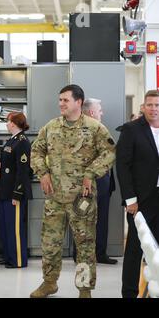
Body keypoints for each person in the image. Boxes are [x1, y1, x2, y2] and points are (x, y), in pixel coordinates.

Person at [30, 84, 115, 298]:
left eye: (65, 100)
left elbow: (109, 152)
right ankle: (49, 283)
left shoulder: (95, 128)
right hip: (55, 198)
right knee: (50, 243)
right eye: (59, 100)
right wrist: (43, 173)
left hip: (82, 198)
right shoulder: (51, 127)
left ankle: (84, 289)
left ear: (78, 102)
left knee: (85, 245)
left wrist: (91, 173)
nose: (61, 104)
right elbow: (36, 151)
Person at [117, 89, 159, 298]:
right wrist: (130, 199)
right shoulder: (131, 130)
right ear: (143, 107)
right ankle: (130, 293)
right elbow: (123, 166)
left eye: (157, 105)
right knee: (135, 248)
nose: (154, 109)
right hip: (141, 201)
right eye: (150, 105)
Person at [0, 112, 32, 268]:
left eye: (7, 121)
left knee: (15, 229)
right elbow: (7, 168)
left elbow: (23, 172)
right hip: (5, 192)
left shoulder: (22, 142)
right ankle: (8, 257)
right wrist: (0, 189)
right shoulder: (12, 141)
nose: (6, 124)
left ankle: (18, 260)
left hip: (14, 193)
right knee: (5, 227)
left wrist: (17, 194)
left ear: (14, 123)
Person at [82, 98, 117, 265]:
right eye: (100, 109)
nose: (102, 112)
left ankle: (100, 253)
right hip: (90, 183)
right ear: (92, 112)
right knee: (84, 219)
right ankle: (83, 255)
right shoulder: (84, 131)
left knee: (101, 219)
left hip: (103, 182)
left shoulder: (99, 129)